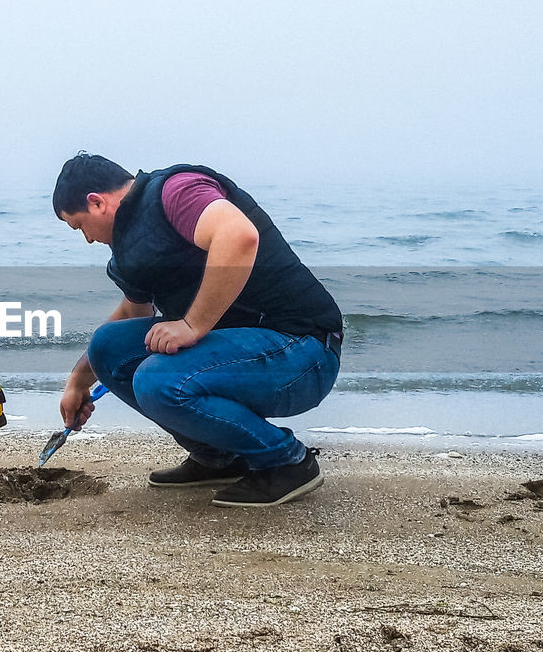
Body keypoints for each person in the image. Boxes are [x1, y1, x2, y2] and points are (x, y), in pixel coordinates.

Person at [53, 153, 343, 508]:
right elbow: (133, 312)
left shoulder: (175, 191)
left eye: (79, 226)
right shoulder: (128, 248)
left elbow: (238, 236)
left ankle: (286, 462)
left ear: (96, 203)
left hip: (302, 350)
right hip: (239, 351)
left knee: (157, 380)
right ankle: (218, 456)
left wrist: (193, 325)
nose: (86, 239)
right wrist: (78, 381)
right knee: (107, 347)